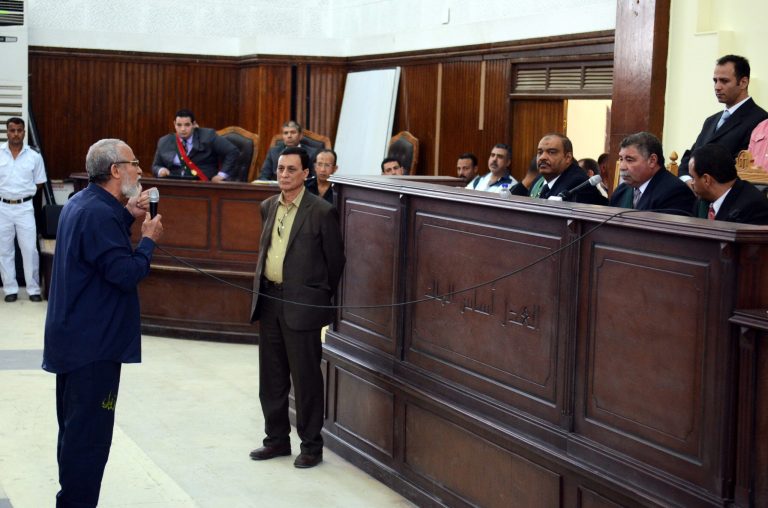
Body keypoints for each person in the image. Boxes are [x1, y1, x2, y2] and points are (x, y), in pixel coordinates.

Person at [43, 139, 164, 506]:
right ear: (115, 170)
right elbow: (124, 273)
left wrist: (128, 214)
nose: (140, 170)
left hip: (74, 341)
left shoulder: (83, 202)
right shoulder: (98, 214)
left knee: (75, 433)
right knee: (89, 442)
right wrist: (148, 241)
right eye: (134, 163)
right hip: (93, 349)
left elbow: (99, 248)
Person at [249, 146, 345, 469]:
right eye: (280, 169)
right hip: (270, 302)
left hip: (302, 306)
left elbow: (335, 263)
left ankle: (311, 446)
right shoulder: (267, 206)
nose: (284, 175)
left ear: (306, 173)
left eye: (291, 169)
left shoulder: (320, 211)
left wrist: (316, 296)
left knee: (305, 380)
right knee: (272, 378)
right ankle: (275, 440)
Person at [678, 55, 768, 183]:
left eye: (724, 81)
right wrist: (688, 181)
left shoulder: (760, 120)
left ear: (743, 82)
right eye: (715, 80)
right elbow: (691, 156)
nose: (717, 87)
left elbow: (738, 166)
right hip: (696, 193)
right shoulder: (711, 120)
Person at [0, 117, 46, 302]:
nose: (16, 134)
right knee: (4, 250)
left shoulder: (34, 157)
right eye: (12, 130)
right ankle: (10, 289)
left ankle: (33, 289)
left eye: (19, 130)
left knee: (29, 249)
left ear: (24, 132)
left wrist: (24, 197)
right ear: (7, 132)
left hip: (25, 207)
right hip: (2, 207)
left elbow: (40, 183)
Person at [610, 132, 695, 215]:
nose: (622, 167)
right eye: (621, 159)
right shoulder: (620, 192)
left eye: (629, 160)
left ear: (652, 161)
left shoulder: (676, 192)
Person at [151, 108, 239, 182]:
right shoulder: (164, 141)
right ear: (174, 124)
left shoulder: (208, 136)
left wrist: (221, 175)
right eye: (179, 125)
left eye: (187, 125)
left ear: (193, 124)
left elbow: (232, 151)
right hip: (175, 185)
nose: (183, 129)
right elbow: (155, 166)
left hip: (202, 185)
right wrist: (160, 170)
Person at [689, 143, 768, 224]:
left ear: (706, 179)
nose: (691, 183)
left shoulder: (753, 207)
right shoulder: (702, 202)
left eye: (693, 178)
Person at [528, 134, 607, 205]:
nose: (542, 157)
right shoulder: (539, 180)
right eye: (540, 152)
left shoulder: (577, 182)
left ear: (568, 158)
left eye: (551, 152)